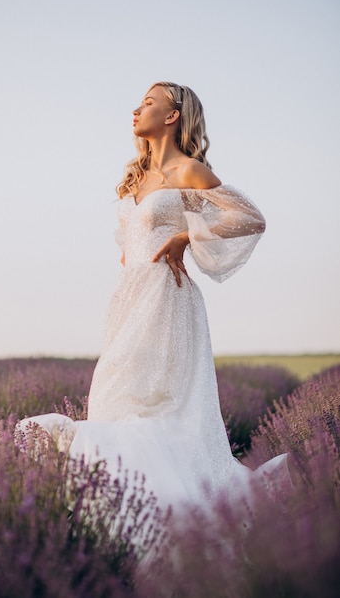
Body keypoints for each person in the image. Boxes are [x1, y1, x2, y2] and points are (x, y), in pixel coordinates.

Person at [16, 81, 289, 516]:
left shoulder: (189, 171)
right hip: (129, 301)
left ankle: (172, 516)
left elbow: (249, 218)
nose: (136, 108)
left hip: (169, 300)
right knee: (114, 402)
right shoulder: (135, 177)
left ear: (172, 115)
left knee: (156, 410)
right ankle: (125, 512)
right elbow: (132, 241)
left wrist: (186, 235)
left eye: (148, 102)